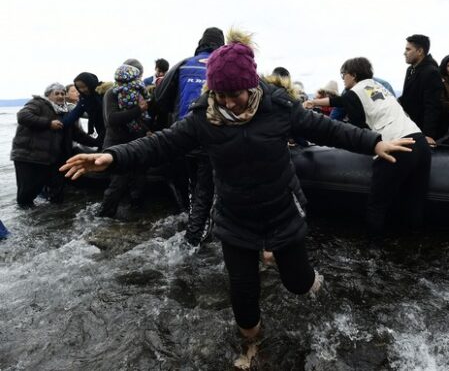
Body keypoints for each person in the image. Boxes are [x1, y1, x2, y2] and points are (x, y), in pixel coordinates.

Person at [61, 29, 414, 343]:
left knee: (298, 284)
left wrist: (374, 143)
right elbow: (161, 144)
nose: (228, 102)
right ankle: (252, 345)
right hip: (235, 216)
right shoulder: (202, 117)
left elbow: (329, 130)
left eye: (236, 94)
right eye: (221, 94)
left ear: (250, 85)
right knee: (243, 297)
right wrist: (112, 157)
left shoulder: (279, 107)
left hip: (281, 209)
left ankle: (302, 274)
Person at [304, 57, 430, 236]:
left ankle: (373, 250)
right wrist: (314, 102)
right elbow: (340, 101)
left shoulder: (354, 92)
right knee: (415, 200)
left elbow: (359, 130)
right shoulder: (376, 86)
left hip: (397, 144)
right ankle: (415, 242)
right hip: (419, 141)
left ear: (353, 75)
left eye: (344, 75)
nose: (342, 79)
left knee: (377, 204)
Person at [154, 27, 225, 246]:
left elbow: (160, 99)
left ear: (201, 42)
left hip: (183, 134)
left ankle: (191, 223)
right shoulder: (224, 65)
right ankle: (195, 239)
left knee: (192, 183)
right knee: (206, 188)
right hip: (213, 134)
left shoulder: (182, 64)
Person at [11, 83, 98, 207]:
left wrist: (98, 143)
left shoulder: (65, 111)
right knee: (27, 195)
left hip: (53, 159)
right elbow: (23, 116)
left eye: (63, 93)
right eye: (56, 93)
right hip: (29, 157)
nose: (60, 96)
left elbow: (77, 134)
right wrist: (48, 123)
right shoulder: (38, 103)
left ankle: (57, 218)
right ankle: (26, 221)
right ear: (48, 95)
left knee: (57, 193)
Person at [97, 64, 152, 217]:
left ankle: (136, 215)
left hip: (137, 142)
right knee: (118, 183)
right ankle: (104, 216)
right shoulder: (112, 93)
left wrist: (146, 130)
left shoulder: (139, 93)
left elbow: (141, 118)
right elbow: (112, 119)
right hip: (116, 143)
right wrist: (138, 110)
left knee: (139, 180)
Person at [398, 34, 445, 146]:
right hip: (409, 128)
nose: (404, 53)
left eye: (408, 49)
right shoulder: (410, 70)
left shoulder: (431, 72)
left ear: (419, 51)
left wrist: (428, 134)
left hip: (421, 132)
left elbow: (432, 106)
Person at [63, 72, 107, 148]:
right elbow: (74, 114)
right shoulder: (84, 99)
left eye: (84, 86)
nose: (82, 90)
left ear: (90, 84)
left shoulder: (104, 93)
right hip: (100, 130)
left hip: (112, 129)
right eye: (79, 88)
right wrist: (61, 124)